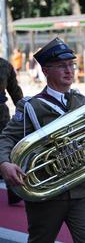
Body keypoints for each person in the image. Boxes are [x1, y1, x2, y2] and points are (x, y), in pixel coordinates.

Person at [0, 37, 85, 243]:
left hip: (82, 190)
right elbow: (7, 137)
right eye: (61, 66)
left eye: (71, 65)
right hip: (46, 194)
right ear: (46, 71)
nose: (69, 70)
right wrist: (4, 163)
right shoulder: (31, 106)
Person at [0, 57, 23, 205]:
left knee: (7, 150)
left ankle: (14, 191)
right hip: (1, 113)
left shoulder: (5, 65)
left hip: (1, 114)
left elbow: (15, 93)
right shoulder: (4, 64)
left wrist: (25, 111)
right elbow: (15, 93)